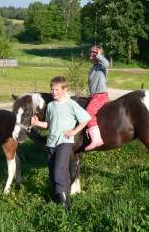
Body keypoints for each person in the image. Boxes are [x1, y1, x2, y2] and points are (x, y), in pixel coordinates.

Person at [31, 76, 90, 210]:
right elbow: (49, 124)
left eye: (57, 89)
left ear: (65, 89)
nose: (53, 92)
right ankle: (56, 198)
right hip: (51, 143)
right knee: (52, 173)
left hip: (64, 142)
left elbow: (86, 119)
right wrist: (36, 123)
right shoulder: (51, 106)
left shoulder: (71, 104)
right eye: (52, 89)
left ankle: (65, 205)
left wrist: (74, 131)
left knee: (59, 171)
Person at [84, 45, 109, 151]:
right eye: (91, 53)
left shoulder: (101, 66)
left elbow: (106, 63)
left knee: (88, 113)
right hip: (94, 95)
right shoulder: (92, 68)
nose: (91, 55)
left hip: (101, 95)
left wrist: (99, 55)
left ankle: (96, 139)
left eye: (94, 53)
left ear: (99, 56)